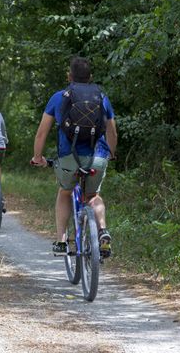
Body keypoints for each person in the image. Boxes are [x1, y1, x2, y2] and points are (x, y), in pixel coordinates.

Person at [31, 57, 117, 256]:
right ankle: (103, 231)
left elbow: (41, 133)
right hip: (98, 156)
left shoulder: (58, 97)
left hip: (69, 158)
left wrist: (38, 157)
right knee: (93, 196)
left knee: (65, 192)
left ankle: (61, 241)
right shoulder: (102, 97)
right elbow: (112, 132)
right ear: (91, 77)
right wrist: (110, 153)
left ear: (69, 76)